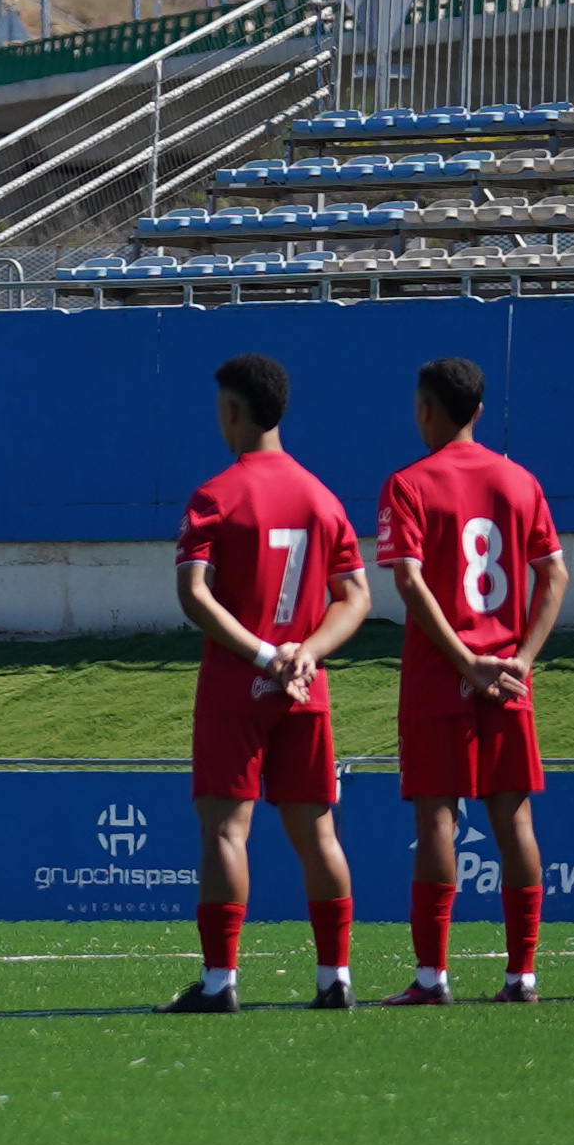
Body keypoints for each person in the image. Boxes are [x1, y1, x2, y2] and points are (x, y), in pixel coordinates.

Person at [165, 352, 369, 1011]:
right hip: (305, 690)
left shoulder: (214, 496)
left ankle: (221, 982)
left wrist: (261, 653)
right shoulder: (321, 496)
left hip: (236, 684)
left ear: (231, 411)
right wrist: (305, 654)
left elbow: (193, 595)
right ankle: (335, 977)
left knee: (226, 832)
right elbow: (357, 596)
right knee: (319, 833)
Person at [375, 354, 563, 1004]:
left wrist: (462, 660)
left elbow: (408, 579)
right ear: (479, 411)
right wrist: (523, 659)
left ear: (427, 409)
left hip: (438, 675)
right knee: (514, 821)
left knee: (436, 821)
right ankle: (523, 976)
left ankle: (433, 978)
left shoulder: (408, 483)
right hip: (510, 676)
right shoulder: (521, 482)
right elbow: (556, 575)